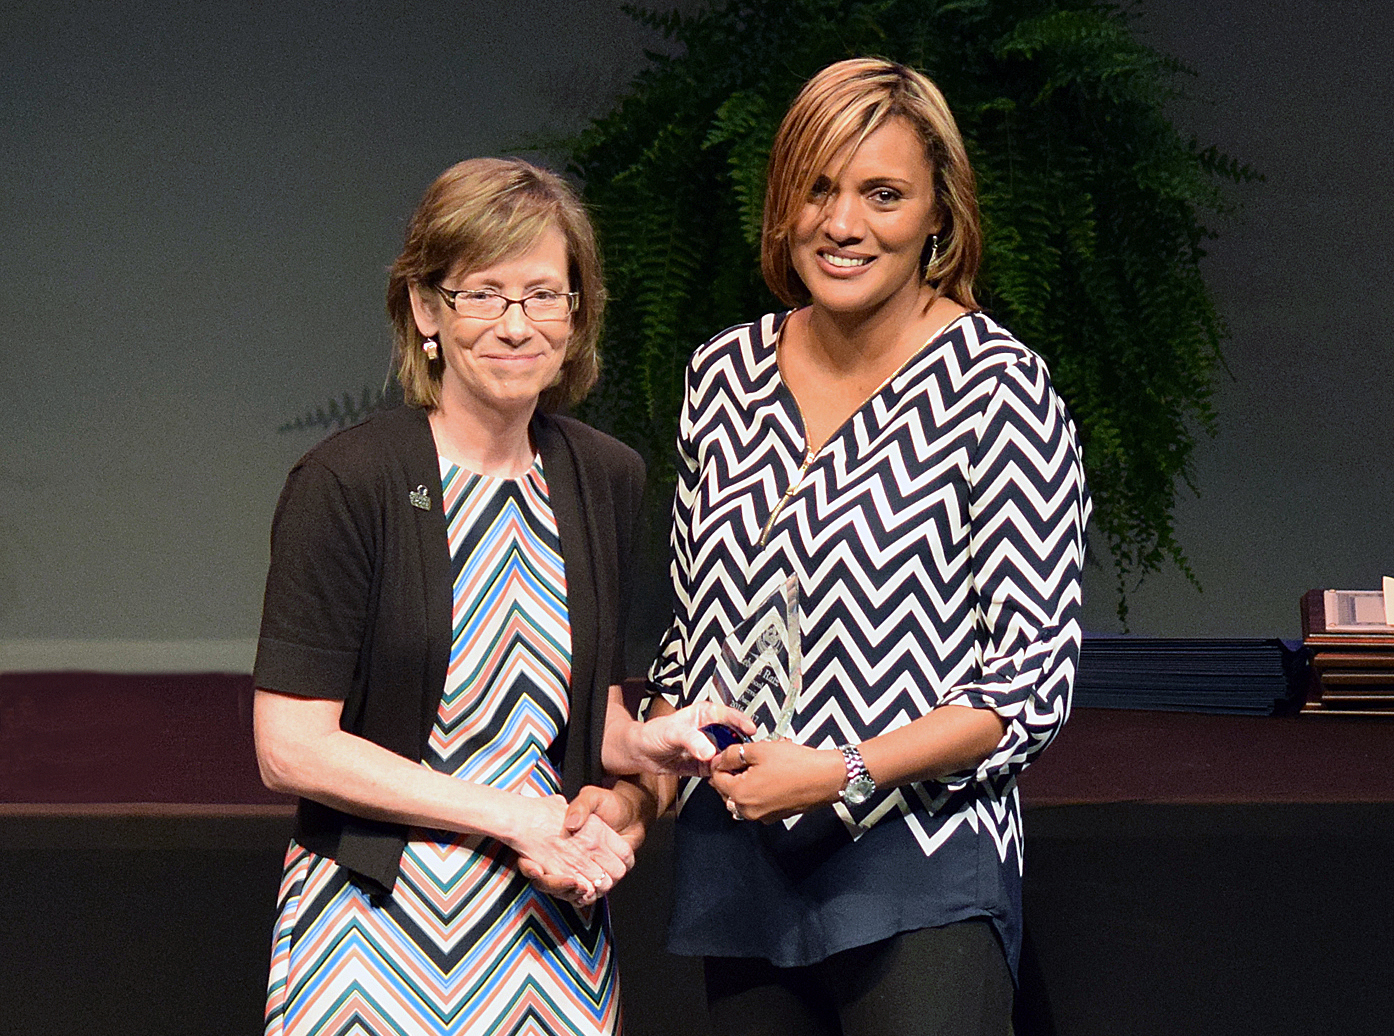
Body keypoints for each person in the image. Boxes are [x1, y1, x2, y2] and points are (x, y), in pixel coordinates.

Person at [632, 58, 1093, 1035]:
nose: (841, 223)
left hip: (918, 865)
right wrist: (638, 781)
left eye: (881, 194)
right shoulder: (719, 374)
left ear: (939, 215)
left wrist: (843, 768)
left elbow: (1028, 688)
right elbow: (688, 642)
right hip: (739, 862)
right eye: (816, 188)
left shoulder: (998, 387)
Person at [252, 158, 742, 1036]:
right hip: (373, 924)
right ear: (426, 311)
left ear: (576, 313)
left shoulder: (603, 476)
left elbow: (563, 713)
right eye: (483, 294)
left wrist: (644, 741)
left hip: (550, 929)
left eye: (543, 295)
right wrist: (512, 817)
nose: (516, 326)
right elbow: (291, 750)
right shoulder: (349, 482)